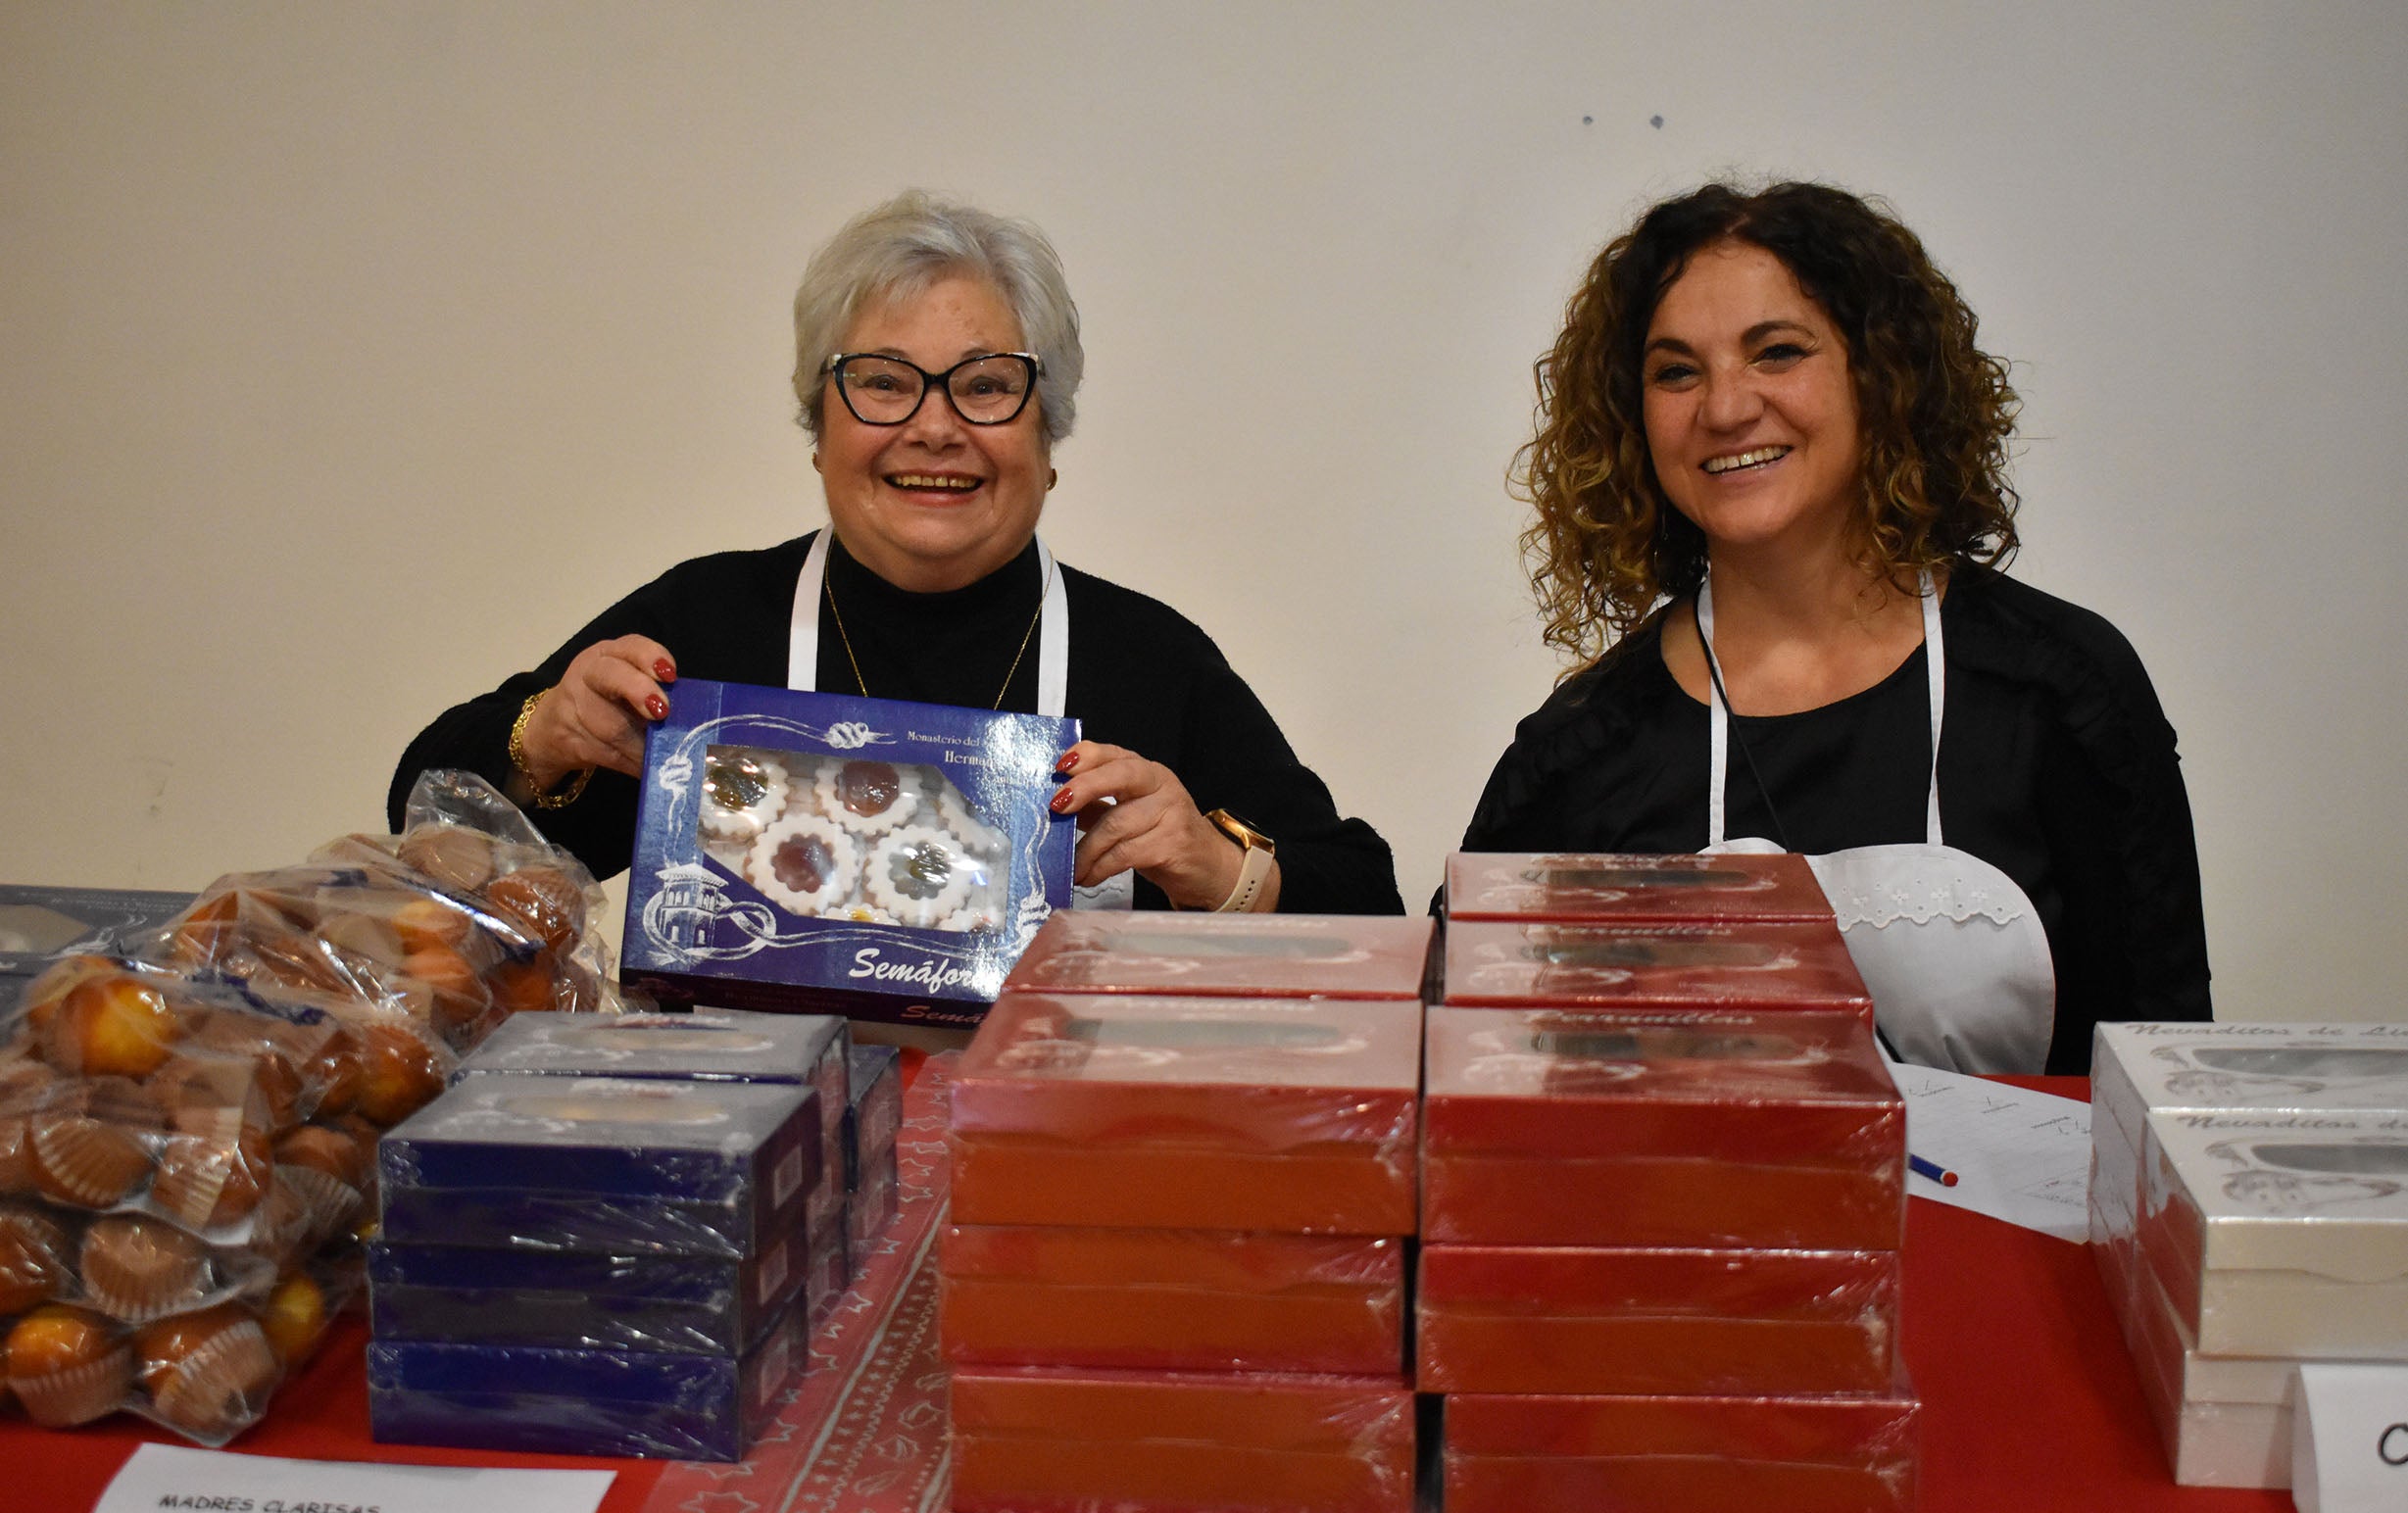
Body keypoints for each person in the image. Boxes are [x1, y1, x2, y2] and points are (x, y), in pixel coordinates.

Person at [392, 191, 1400, 916]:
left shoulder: (1149, 658)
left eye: (986, 384)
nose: (934, 427)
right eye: (883, 382)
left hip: (1042, 1168)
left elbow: (1368, 906)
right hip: (760, 1173)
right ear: (818, 429)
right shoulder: (705, 627)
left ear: (1049, 440)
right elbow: (420, 813)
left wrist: (1218, 871)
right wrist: (546, 737)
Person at [1459, 180, 2210, 1076]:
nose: (1726, 408)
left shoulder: (2060, 694)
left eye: (1775, 352)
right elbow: (1484, 1079)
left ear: (1882, 375)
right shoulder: (1578, 758)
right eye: (1675, 371)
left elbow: (2162, 1082)